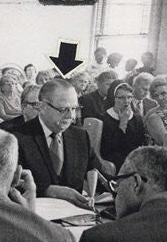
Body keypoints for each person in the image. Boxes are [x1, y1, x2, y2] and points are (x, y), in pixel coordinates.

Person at [10, 79, 106, 209]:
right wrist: (48, 190)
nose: (71, 116)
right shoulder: (16, 138)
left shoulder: (80, 136)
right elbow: (9, 184)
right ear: (42, 106)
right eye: (63, 109)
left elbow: (99, 174)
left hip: (75, 216)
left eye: (74, 109)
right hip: (34, 216)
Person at [99, 80, 146, 171]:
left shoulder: (137, 118)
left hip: (134, 161)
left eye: (129, 97)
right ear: (113, 98)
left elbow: (140, 144)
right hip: (113, 163)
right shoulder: (104, 118)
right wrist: (123, 123)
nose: (126, 101)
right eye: (121, 98)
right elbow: (109, 149)